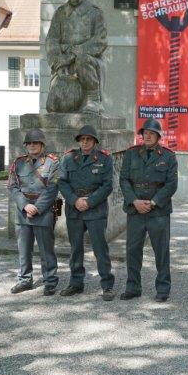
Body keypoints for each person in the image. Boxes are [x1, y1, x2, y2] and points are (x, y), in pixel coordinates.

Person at [119, 118, 178, 302]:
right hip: (135, 210)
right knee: (133, 250)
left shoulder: (168, 156)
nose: (148, 136)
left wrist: (153, 203)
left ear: (159, 136)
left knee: (161, 251)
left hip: (158, 212)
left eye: (152, 133)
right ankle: (133, 287)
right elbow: (124, 180)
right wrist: (134, 201)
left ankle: (162, 289)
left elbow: (171, 184)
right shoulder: (131, 154)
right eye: (145, 133)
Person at [58, 125, 116, 300]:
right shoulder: (68, 158)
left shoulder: (104, 159)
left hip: (95, 208)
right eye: (82, 139)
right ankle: (76, 283)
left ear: (94, 141)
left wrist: (89, 202)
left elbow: (107, 185)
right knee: (76, 248)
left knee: (100, 248)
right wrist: (75, 200)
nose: (84, 142)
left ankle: (107, 285)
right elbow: (62, 182)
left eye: (88, 139)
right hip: (74, 208)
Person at [8, 128, 60, 296]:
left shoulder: (52, 163)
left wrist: (37, 207)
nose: (32, 145)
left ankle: (50, 281)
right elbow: (13, 186)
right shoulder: (18, 162)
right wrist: (25, 205)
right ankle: (25, 280)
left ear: (42, 145)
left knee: (46, 250)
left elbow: (53, 188)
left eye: (35, 143)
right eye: (29, 143)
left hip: (43, 211)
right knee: (24, 250)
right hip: (23, 211)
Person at [46, 0, 107, 114]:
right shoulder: (60, 14)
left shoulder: (95, 13)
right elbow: (51, 40)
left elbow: (101, 40)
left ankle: (93, 98)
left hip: (88, 62)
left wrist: (75, 52)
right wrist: (58, 63)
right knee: (54, 107)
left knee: (82, 59)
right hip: (64, 64)